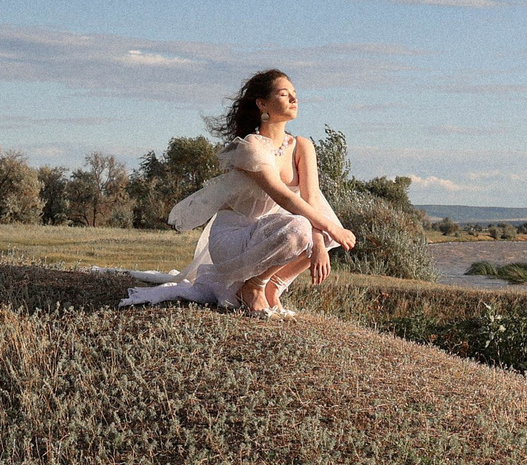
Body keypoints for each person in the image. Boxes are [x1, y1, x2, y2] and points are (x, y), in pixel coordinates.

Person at [121, 69, 356, 316]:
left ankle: (273, 286)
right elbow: (283, 196)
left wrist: (320, 241)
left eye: (294, 93)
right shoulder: (251, 146)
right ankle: (253, 287)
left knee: (323, 231)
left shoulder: (302, 146)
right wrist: (331, 229)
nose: (293, 99)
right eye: (284, 94)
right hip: (233, 237)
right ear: (262, 104)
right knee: (303, 227)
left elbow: (312, 198)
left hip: (268, 230)